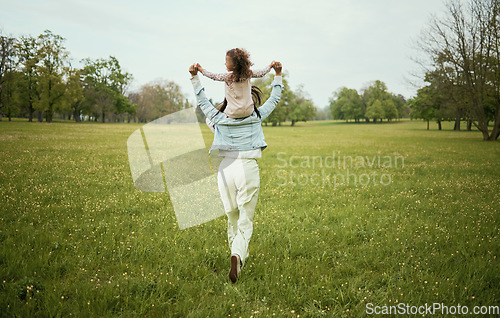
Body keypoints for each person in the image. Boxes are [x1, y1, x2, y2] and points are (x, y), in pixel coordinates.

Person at [189, 61, 283, 283]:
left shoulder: (218, 119)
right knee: (245, 219)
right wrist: (278, 74)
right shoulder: (256, 116)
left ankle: (238, 257)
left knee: (232, 216)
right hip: (247, 167)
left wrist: (195, 77)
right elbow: (275, 99)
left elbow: (202, 101)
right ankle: (237, 254)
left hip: (225, 170)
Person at [196, 48, 274, 119]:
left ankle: (216, 128)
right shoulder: (249, 74)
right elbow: (261, 73)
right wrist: (270, 66)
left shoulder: (228, 76)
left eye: (226, 62)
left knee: (212, 120)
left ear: (234, 66)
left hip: (233, 113)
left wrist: (201, 69)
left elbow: (213, 76)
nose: (225, 64)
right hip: (249, 111)